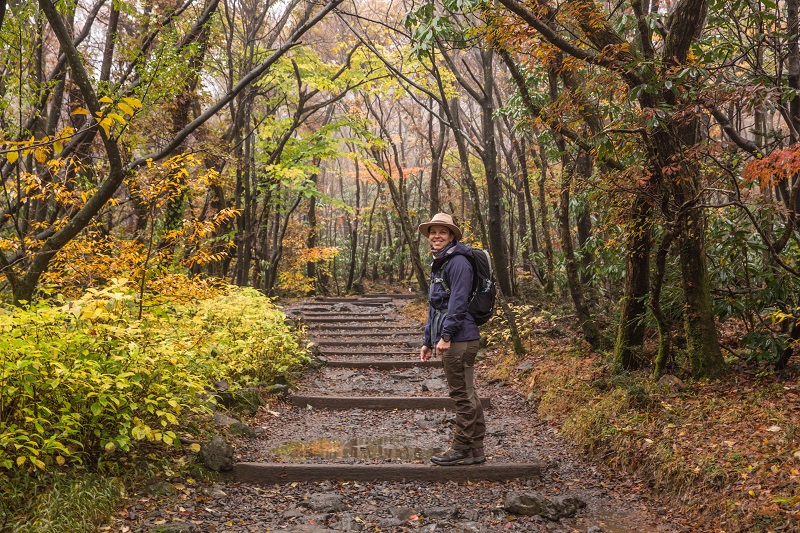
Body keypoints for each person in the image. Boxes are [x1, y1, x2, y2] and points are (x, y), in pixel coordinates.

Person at [418, 212, 485, 466]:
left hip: (460, 338)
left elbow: (457, 303)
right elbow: (435, 305)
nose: (436, 235)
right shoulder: (440, 262)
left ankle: (460, 448)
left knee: (461, 396)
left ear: (452, 236)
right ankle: (475, 449)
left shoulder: (457, 262)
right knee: (469, 394)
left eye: (442, 232)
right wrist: (427, 340)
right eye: (433, 231)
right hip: (455, 336)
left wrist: (446, 335)